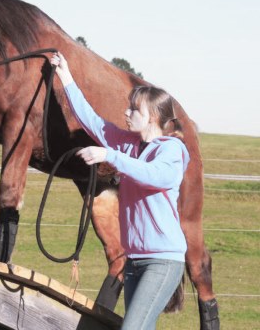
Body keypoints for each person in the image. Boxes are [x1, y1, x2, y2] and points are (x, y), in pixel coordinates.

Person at [50, 52, 188, 330]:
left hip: (162, 261)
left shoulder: (171, 150)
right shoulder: (128, 144)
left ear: (152, 118)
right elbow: (91, 120)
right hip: (134, 260)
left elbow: (154, 176)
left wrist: (110, 156)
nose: (127, 113)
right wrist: (65, 75)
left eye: (135, 110)